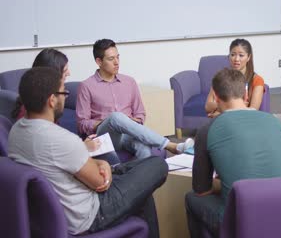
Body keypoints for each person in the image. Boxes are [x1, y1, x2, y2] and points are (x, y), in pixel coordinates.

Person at [8, 67, 168, 237]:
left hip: (55, 212)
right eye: (64, 93)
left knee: (141, 188)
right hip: (91, 213)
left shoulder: (16, 131)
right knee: (157, 164)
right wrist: (104, 165)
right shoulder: (61, 139)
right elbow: (99, 183)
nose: (65, 97)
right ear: (52, 100)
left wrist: (101, 163)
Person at [186, 68, 281, 237]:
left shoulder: (207, 130)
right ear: (246, 96)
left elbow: (202, 190)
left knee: (192, 199)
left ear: (216, 98)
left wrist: (222, 183)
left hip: (242, 220)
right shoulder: (276, 122)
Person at [76, 39, 193, 163]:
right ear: (99, 61)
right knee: (115, 117)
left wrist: (130, 122)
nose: (116, 63)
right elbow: (82, 124)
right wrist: (106, 122)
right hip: (105, 137)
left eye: (118, 57)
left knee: (144, 149)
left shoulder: (129, 82)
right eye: (111, 59)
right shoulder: (86, 86)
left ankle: (134, 177)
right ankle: (171, 146)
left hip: (127, 135)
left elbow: (140, 114)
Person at [11, 48, 101, 153]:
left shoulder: (36, 106)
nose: (69, 73)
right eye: (65, 70)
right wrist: (82, 147)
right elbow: (48, 150)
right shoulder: (36, 116)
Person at [205, 38, 264, 118]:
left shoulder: (257, 80)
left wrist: (220, 111)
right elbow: (208, 107)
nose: (236, 59)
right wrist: (234, 105)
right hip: (222, 120)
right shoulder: (221, 77)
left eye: (241, 55)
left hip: (243, 121)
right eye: (233, 55)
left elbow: (253, 110)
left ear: (249, 57)